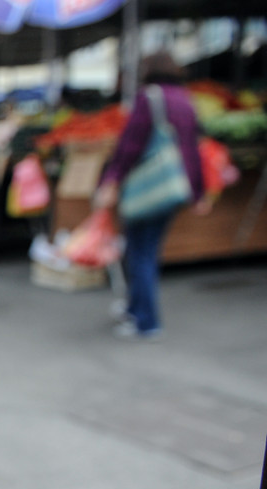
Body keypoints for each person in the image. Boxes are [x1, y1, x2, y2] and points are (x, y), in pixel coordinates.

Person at [94, 52, 209, 340]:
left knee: (139, 254)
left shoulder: (150, 98)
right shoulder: (186, 99)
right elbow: (194, 150)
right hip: (173, 187)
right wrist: (198, 191)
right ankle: (135, 308)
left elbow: (130, 146)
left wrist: (111, 180)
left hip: (147, 187)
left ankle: (146, 321)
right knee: (146, 251)